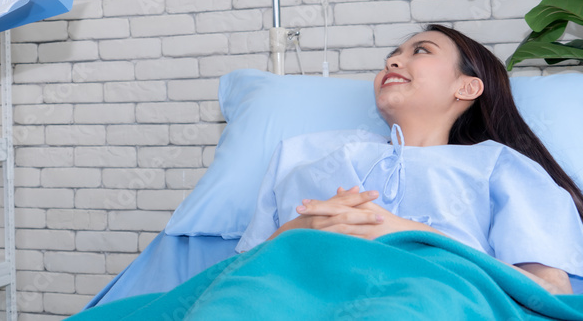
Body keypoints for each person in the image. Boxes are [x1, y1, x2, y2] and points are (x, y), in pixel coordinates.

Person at [236, 24, 583, 296]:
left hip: (435, 297)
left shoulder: (502, 166)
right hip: (292, 293)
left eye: (421, 51)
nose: (392, 61)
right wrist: (299, 229)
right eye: (391, 55)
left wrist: (413, 233)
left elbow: (550, 290)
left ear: (466, 88)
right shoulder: (304, 154)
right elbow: (240, 272)